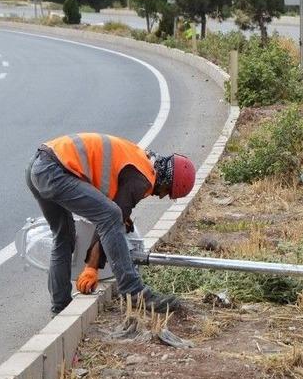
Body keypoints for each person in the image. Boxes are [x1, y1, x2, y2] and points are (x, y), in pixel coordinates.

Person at [26, 133, 197, 315]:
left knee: (64, 236)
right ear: (167, 180)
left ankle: (60, 308)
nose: (162, 196)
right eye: (167, 192)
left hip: (38, 166)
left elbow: (112, 204)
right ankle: (133, 291)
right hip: (53, 171)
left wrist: (122, 215)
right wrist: (92, 267)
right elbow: (110, 217)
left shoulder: (142, 159)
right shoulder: (142, 178)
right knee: (111, 215)